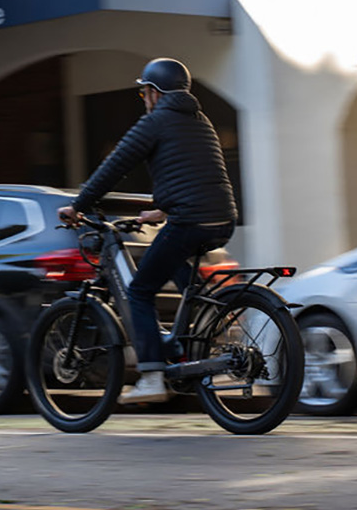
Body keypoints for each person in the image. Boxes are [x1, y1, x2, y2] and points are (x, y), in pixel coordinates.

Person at [58, 58, 238, 403]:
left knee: (140, 291)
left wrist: (78, 205)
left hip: (189, 222)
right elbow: (196, 176)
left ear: (155, 92)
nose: (144, 99)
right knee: (180, 272)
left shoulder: (155, 122)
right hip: (222, 219)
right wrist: (161, 210)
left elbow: (115, 165)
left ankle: (152, 375)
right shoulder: (200, 121)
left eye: (144, 93)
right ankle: (192, 344)